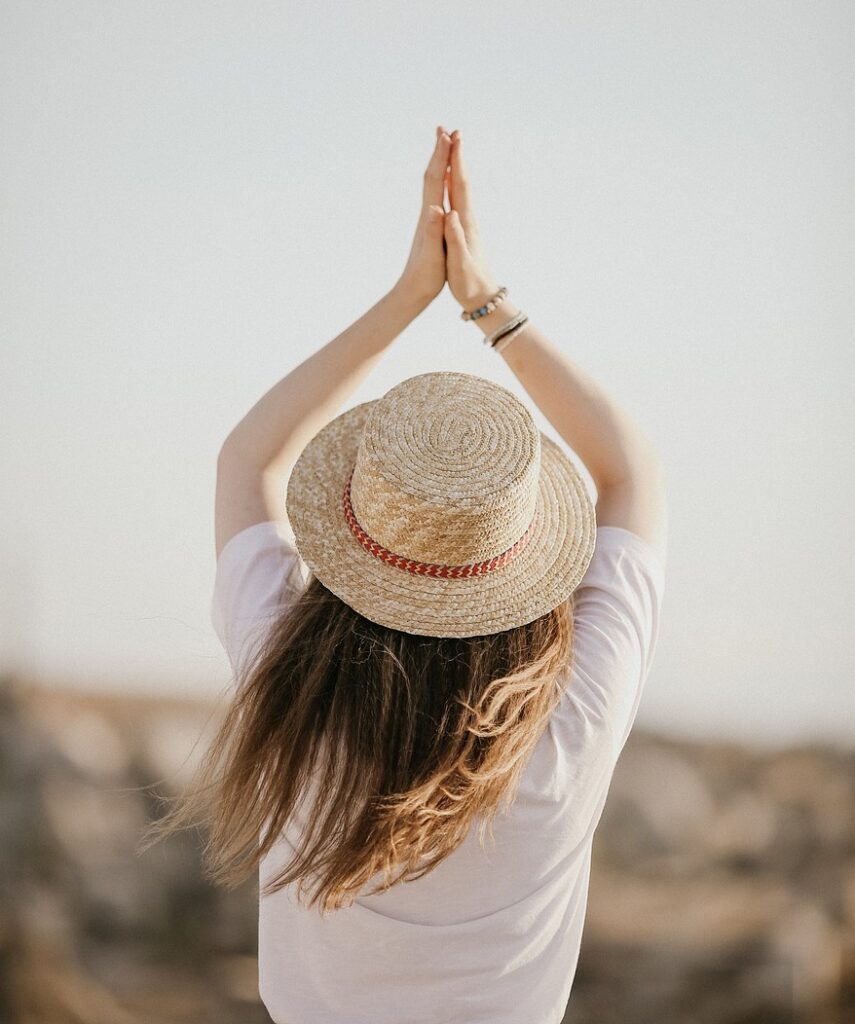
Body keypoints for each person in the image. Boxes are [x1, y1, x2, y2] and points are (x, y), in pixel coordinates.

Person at [144, 125, 668, 1024]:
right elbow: (629, 473)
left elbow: (247, 461)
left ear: (358, 539)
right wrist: (483, 300)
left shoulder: (289, 689)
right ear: (522, 565)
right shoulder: (566, 725)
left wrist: (406, 296)